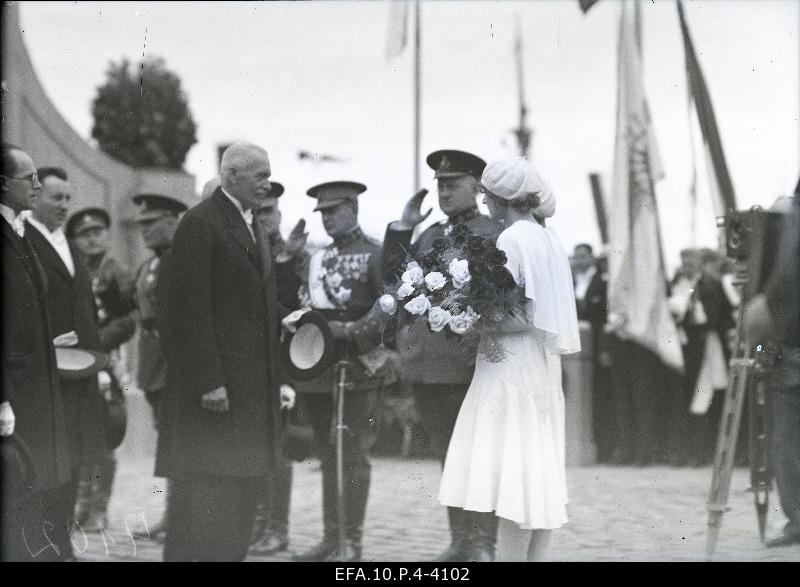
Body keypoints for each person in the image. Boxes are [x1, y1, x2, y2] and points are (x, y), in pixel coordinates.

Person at [438, 157, 580, 562]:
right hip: (539, 366)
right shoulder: (547, 238)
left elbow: (516, 316)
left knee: (513, 480)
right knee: (536, 475)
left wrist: (462, 317)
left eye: (486, 196)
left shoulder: (512, 239)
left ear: (499, 199)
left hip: (510, 368)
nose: (485, 204)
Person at [158, 142, 288, 561]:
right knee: (210, 501)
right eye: (259, 176)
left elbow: (253, 298)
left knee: (241, 496)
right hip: (219, 393)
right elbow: (188, 309)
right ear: (231, 175)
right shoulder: (202, 222)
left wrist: (292, 317)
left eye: (268, 175)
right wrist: (209, 381)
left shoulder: (251, 224)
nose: (266, 185)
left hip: (250, 391)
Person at [381, 149, 503, 561]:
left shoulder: (493, 231)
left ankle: (484, 541)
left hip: (471, 363)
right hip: (429, 364)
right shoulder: (431, 233)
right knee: (447, 452)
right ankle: (460, 540)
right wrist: (403, 227)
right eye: (440, 185)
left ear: (477, 187)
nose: (445, 191)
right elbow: (394, 280)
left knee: (479, 451)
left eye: (454, 184)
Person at [288, 180, 387, 562]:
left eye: (334, 211)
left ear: (354, 209)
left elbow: (389, 307)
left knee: (352, 453)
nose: (328, 219)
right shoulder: (315, 259)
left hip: (357, 364)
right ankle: (332, 537)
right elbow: (302, 304)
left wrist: (352, 332)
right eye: (323, 213)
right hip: (319, 365)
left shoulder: (375, 254)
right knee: (327, 454)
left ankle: (352, 541)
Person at [25, 166, 106, 560]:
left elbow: (87, 310)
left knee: (74, 464)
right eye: (57, 198)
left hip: (82, 375)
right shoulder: (25, 244)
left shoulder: (70, 246)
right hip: (48, 378)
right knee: (47, 468)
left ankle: (61, 544)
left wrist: (99, 363)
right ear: (36, 197)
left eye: (68, 198)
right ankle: (41, 547)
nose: (65, 205)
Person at [1, 144, 72, 561]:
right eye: (27, 178)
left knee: (38, 489)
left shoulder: (19, 231)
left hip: (37, 389)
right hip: (17, 392)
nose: (36, 184)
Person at [66, 207, 137, 532]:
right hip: (76, 363)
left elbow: (129, 319)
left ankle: (99, 508)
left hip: (107, 363)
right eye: (85, 234)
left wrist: (97, 343)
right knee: (79, 433)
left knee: (105, 432)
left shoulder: (117, 272)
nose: (93, 238)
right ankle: (81, 503)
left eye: (98, 231)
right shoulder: (71, 271)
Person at [248, 181, 307, 556]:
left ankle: (277, 527)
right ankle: (257, 524)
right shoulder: (248, 251)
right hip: (253, 361)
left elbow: (292, 309)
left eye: (268, 210)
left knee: (279, 448)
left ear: (279, 214)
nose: (262, 217)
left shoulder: (294, 255)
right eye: (257, 211)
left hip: (286, 360)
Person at [743, 181, 800, 548]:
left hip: (790, 354)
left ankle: (797, 520)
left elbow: (777, 295)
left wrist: (763, 348)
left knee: (787, 440)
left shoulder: (791, 239)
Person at [667, 248, 734, 466]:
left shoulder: (707, 283)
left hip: (704, 345)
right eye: (684, 263)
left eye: (691, 263)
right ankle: (687, 451)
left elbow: (713, 316)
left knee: (702, 396)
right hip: (686, 344)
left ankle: (700, 452)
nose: (687, 267)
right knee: (687, 396)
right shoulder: (680, 282)